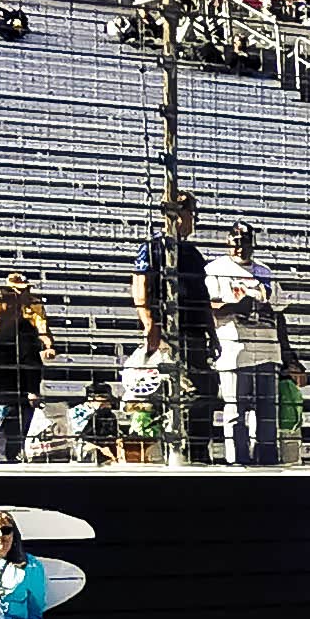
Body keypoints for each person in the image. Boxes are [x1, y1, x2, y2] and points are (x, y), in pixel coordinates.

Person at [131, 189, 215, 463]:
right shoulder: (153, 247)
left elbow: (203, 296)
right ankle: (177, 451)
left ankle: (198, 451)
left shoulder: (192, 253)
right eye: (192, 214)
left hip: (194, 332)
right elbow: (140, 286)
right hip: (168, 332)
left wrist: (211, 333)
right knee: (180, 390)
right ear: (180, 214)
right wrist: (150, 324)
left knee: (205, 390)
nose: (194, 221)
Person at [210, 220, 289, 465]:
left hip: (267, 348)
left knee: (267, 411)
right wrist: (236, 306)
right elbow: (209, 306)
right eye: (235, 243)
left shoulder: (264, 271)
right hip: (234, 348)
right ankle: (237, 459)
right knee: (235, 409)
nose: (240, 248)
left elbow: (279, 309)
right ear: (227, 243)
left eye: (244, 243)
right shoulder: (215, 269)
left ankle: (266, 458)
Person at [0, 274, 48, 464]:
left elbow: (31, 361)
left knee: (7, 448)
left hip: (15, 398)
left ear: (12, 304)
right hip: (0, 396)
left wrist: (32, 390)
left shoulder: (22, 329)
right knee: (1, 446)